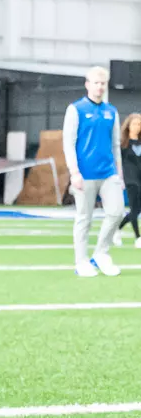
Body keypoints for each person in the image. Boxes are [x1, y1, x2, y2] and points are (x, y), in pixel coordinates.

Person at [64, 65, 124, 277]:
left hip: (109, 173)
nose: (99, 87)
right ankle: (81, 261)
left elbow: (116, 145)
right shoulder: (76, 109)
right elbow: (68, 143)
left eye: (103, 84)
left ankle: (101, 254)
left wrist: (120, 174)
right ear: (88, 84)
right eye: (96, 83)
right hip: (84, 174)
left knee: (117, 212)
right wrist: (74, 173)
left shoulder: (111, 111)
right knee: (84, 218)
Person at [119, 113, 141, 246]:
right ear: (128, 126)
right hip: (131, 180)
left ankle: (117, 228)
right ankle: (138, 237)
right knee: (134, 208)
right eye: (134, 124)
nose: (137, 127)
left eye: (139, 124)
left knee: (137, 210)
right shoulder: (123, 144)